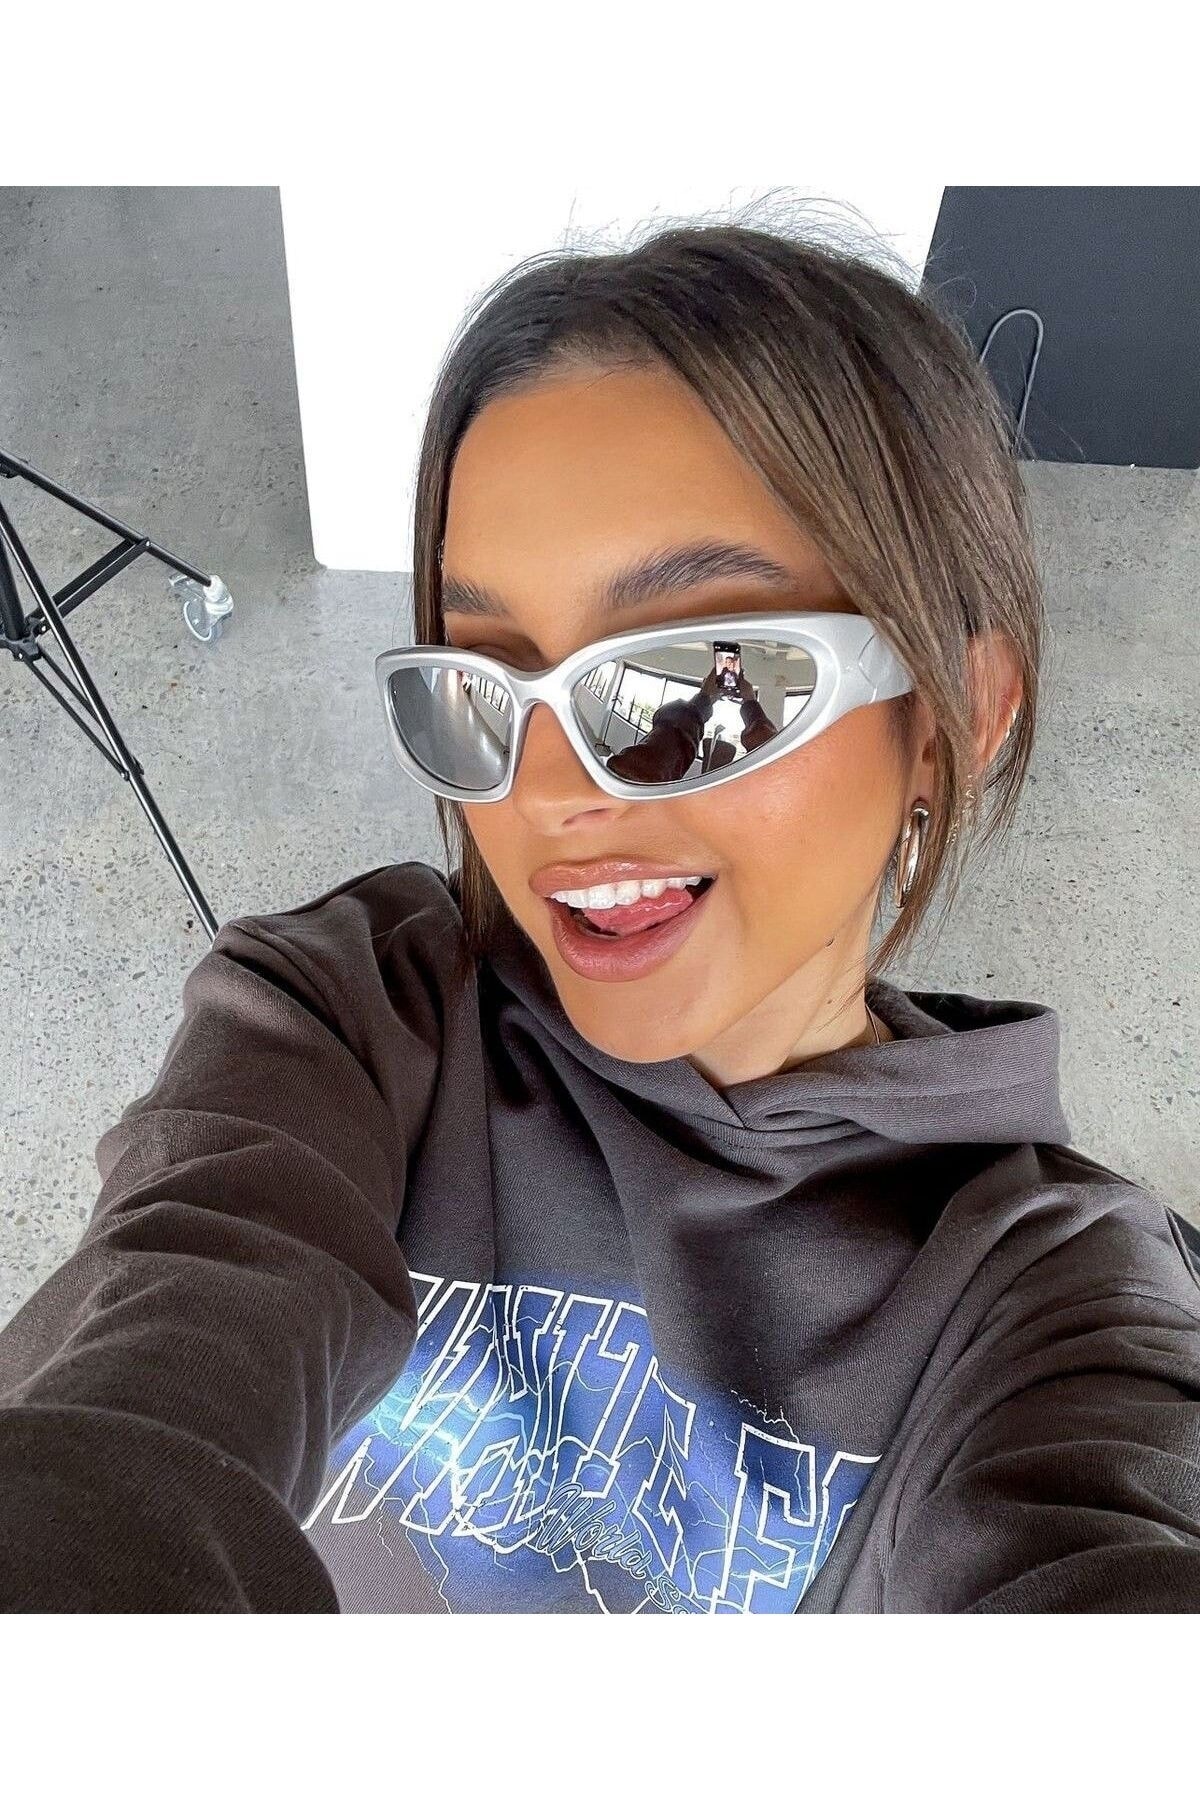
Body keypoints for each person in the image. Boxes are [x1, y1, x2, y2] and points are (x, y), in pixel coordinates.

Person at [2, 217, 1199, 1614]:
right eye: (485, 685)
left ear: (951, 719)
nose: (551, 793)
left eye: (699, 686)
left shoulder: (1049, 1294)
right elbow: (172, 1328)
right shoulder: (352, 1020)